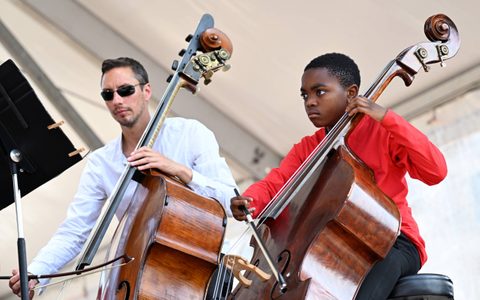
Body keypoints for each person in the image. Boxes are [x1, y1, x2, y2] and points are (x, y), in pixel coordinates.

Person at [9, 57, 237, 299]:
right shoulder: (101, 163)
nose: (117, 100)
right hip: (133, 280)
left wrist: (180, 171)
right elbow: (75, 231)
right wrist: (36, 272)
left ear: (146, 90)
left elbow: (231, 201)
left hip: (195, 279)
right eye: (108, 94)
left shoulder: (190, 134)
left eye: (125, 90)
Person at [230, 53, 447, 299]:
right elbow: (275, 183)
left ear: (351, 93)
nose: (310, 102)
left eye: (319, 92)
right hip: (333, 245)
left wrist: (386, 117)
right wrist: (250, 200)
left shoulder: (382, 130)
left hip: (393, 242)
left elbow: (436, 171)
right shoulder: (308, 147)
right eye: (305, 95)